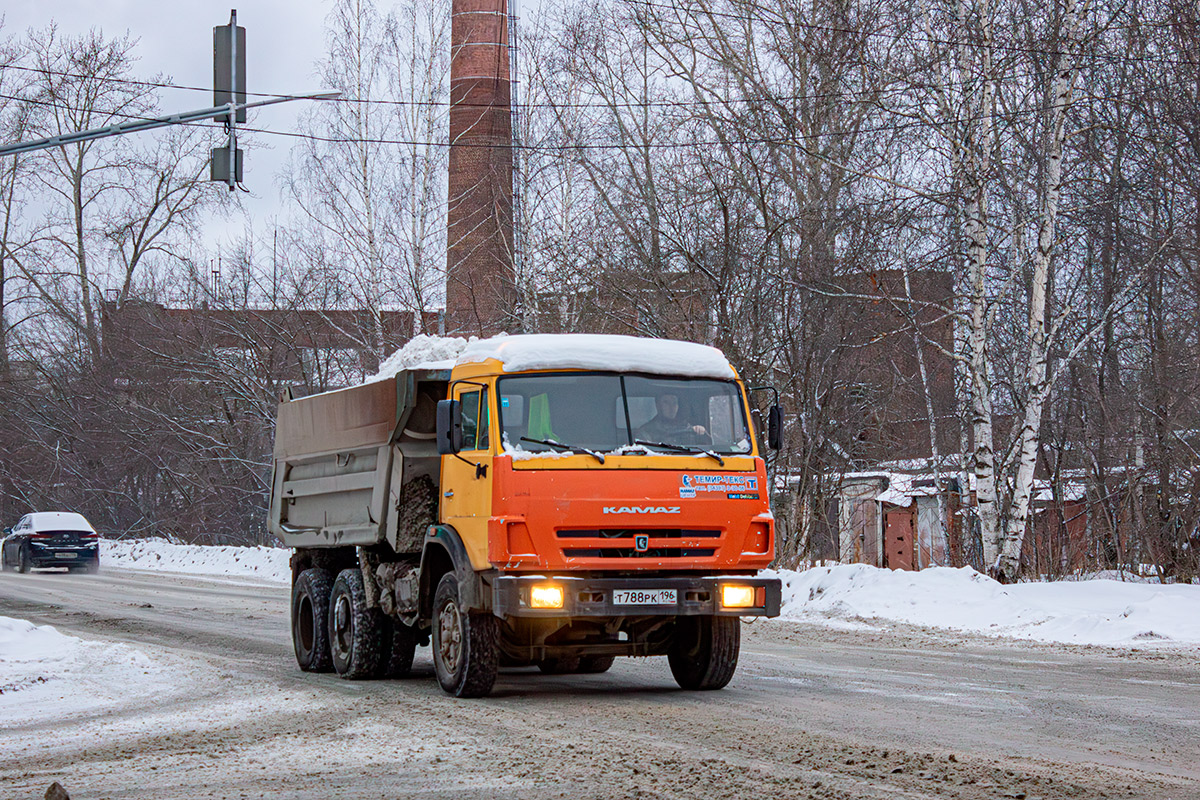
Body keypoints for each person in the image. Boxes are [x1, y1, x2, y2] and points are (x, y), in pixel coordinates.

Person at [636, 393, 707, 443]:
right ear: (658, 405)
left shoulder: (687, 427)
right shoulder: (646, 431)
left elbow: (704, 449)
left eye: (674, 402)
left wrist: (701, 432)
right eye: (666, 402)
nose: (671, 406)